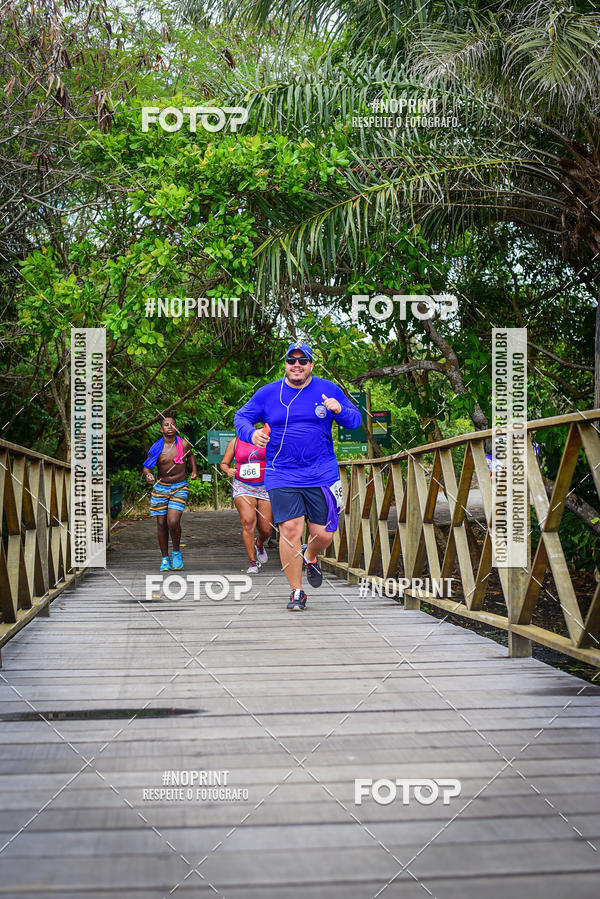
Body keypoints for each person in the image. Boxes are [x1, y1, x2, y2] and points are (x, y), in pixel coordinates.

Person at [234, 342, 362, 610]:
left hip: (322, 472)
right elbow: (241, 417)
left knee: (324, 535)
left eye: (303, 361)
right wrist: (251, 433)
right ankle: (296, 591)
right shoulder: (269, 393)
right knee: (291, 529)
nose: (297, 365)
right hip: (282, 473)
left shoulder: (327, 389)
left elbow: (355, 421)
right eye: (292, 360)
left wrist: (339, 409)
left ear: (311, 365)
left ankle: (310, 555)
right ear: (285, 365)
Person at [142, 414, 197, 571]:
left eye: (172, 424)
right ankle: (165, 558)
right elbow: (146, 467)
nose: (170, 427)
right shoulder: (157, 447)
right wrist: (148, 475)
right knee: (161, 523)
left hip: (179, 487)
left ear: (176, 427)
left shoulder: (184, 444)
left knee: (172, 521)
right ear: (161, 429)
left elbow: (190, 455)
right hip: (161, 488)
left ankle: (176, 552)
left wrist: (194, 470)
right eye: (166, 425)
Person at [220, 434, 273, 574]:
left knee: (266, 529)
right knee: (248, 522)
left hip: (265, 487)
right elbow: (224, 464)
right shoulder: (235, 442)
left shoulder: (266, 439)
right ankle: (253, 563)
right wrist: (228, 470)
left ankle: (259, 543)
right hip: (243, 486)